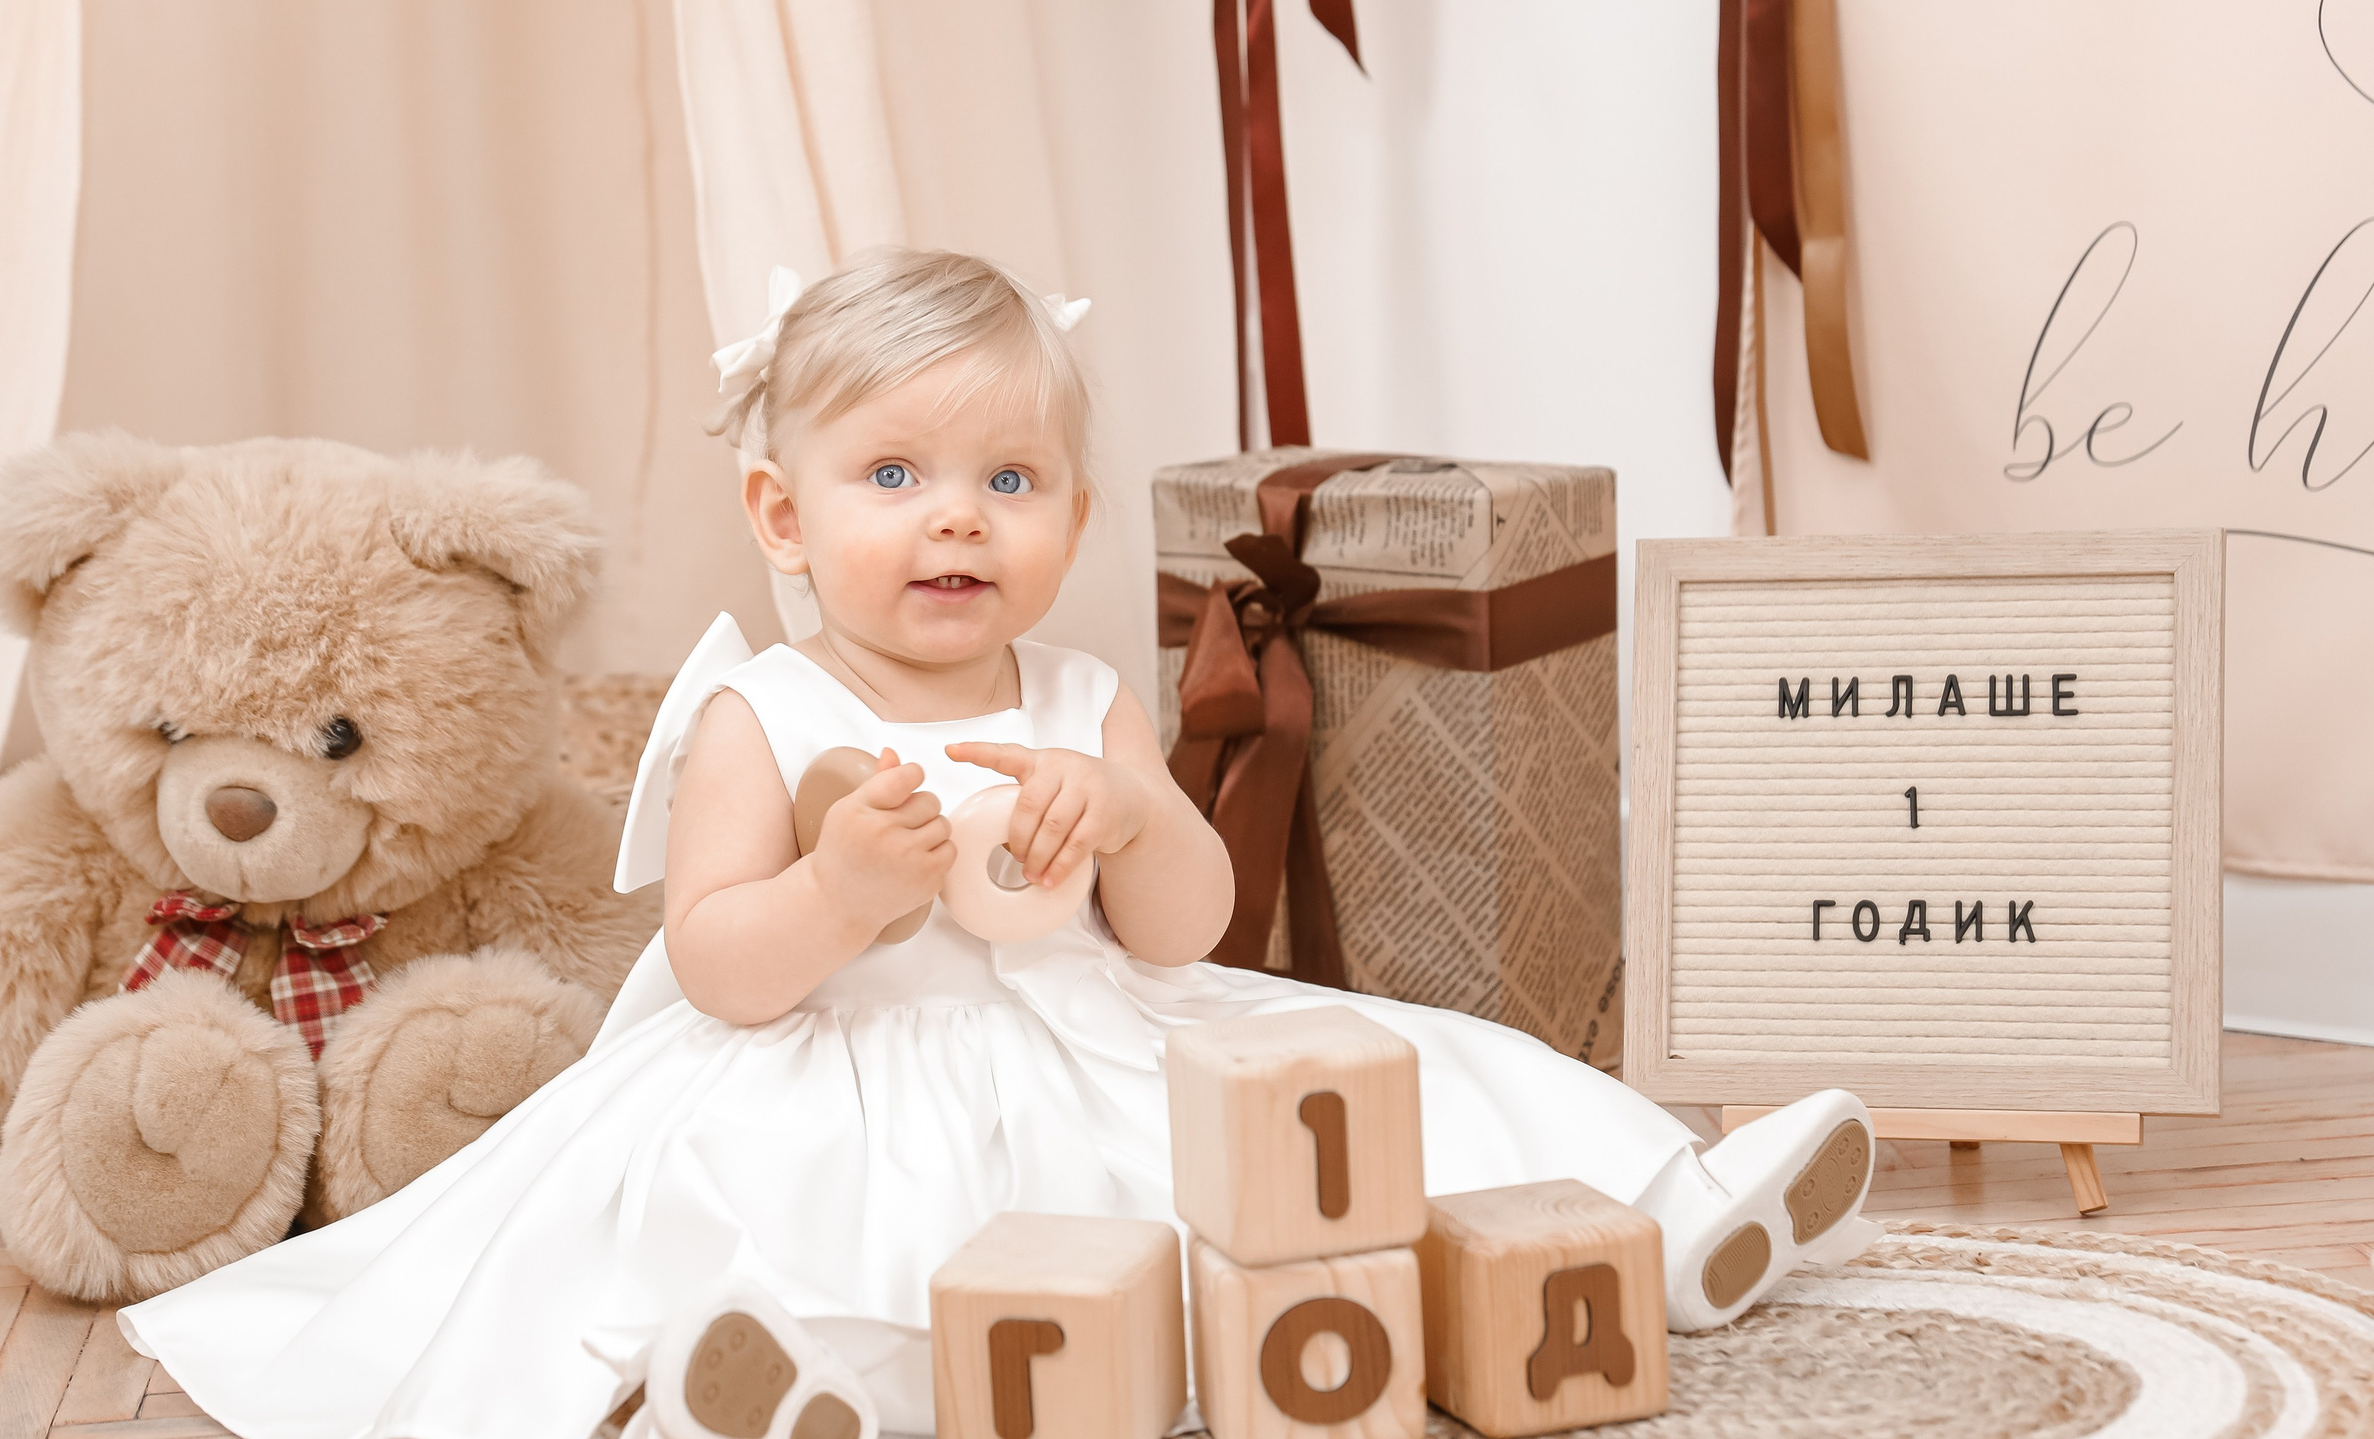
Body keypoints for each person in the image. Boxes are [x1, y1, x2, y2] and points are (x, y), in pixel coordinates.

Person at [120, 249, 1878, 1439]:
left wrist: (1130, 809)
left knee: (1404, 1086)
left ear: (1073, 521)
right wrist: (836, 891)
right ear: (782, 516)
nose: (957, 515)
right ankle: (816, 1386)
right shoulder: (760, 710)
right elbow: (720, 970)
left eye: (1009, 482)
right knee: (838, 1228)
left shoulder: (1085, 687)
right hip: (838, 1070)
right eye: (892, 476)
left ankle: (1668, 1217)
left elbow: (1186, 933)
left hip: (1089, 1044)